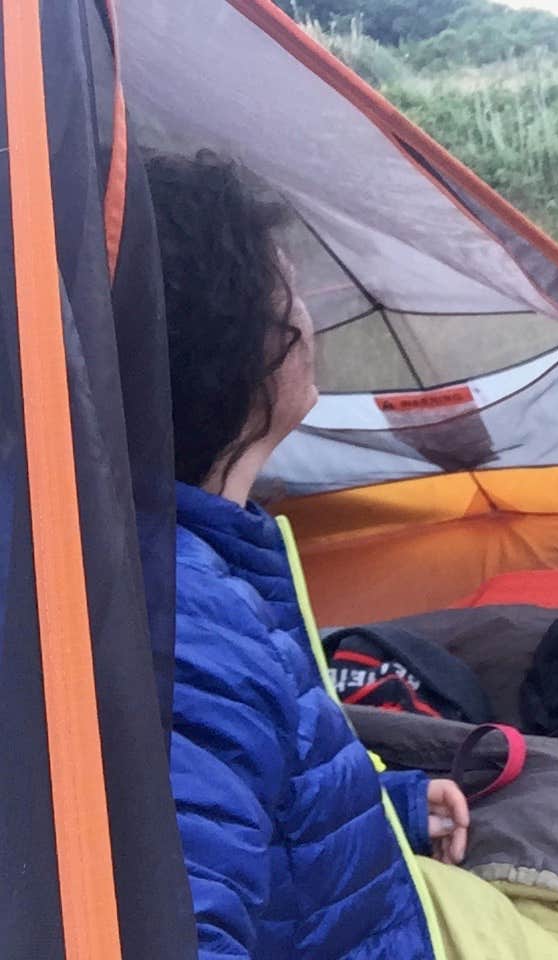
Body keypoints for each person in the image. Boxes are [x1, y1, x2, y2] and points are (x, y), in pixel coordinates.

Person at [149, 150, 466, 960]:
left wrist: (382, 809)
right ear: (234, 347)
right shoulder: (189, 636)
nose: (307, 318)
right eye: (286, 291)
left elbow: (243, 810)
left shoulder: (193, 559)